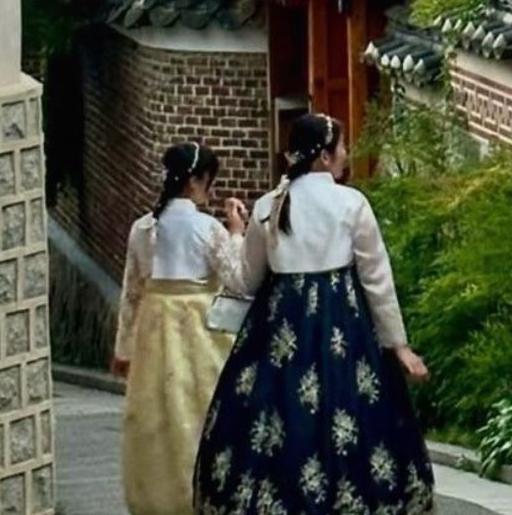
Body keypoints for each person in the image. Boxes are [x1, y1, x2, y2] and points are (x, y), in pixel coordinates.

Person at [193, 113, 435, 515]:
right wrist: (398, 345)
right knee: (352, 415)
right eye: (341, 147)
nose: (346, 154)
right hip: (344, 326)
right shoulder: (351, 203)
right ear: (324, 156)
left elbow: (246, 280)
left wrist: (235, 235)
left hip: (280, 329)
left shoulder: (269, 206)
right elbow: (377, 279)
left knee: (279, 419)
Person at [112, 141, 248, 515]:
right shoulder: (208, 228)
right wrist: (237, 233)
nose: (210, 190)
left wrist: (123, 348)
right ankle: (208, 494)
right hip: (199, 327)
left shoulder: (143, 229)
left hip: (154, 327)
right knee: (203, 411)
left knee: (157, 419)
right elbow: (238, 280)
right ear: (194, 181)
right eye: (208, 181)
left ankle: (160, 500)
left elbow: (131, 293)